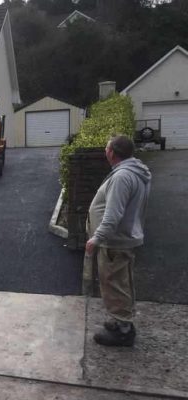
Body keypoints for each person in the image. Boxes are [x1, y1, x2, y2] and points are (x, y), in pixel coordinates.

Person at [85, 135, 151, 347]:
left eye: (107, 148)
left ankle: (123, 330)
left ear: (112, 152)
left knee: (115, 284)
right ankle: (120, 321)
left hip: (115, 241)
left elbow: (113, 215)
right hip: (122, 239)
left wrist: (97, 238)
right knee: (120, 281)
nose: (105, 152)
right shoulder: (133, 172)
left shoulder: (122, 177)